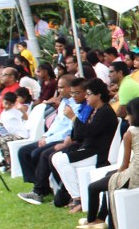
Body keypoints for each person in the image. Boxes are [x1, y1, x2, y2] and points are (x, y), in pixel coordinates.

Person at [18, 78, 118, 206]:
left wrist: (73, 118)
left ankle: (77, 198)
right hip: (87, 147)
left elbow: (88, 132)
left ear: (98, 95)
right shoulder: (96, 110)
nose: (86, 97)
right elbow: (79, 133)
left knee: (60, 159)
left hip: (97, 153)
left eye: (88, 94)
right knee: (55, 157)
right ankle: (70, 194)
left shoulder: (105, 111)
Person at [77, 97, 139, 229]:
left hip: (135, 176)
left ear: (135, 115)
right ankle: (101, 218)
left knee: (93, 187)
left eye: (128, 114)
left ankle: (92, 220)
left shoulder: (131, 133)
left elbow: (124, 165)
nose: (127, 117)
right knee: (109, 176)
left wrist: (117, 175)